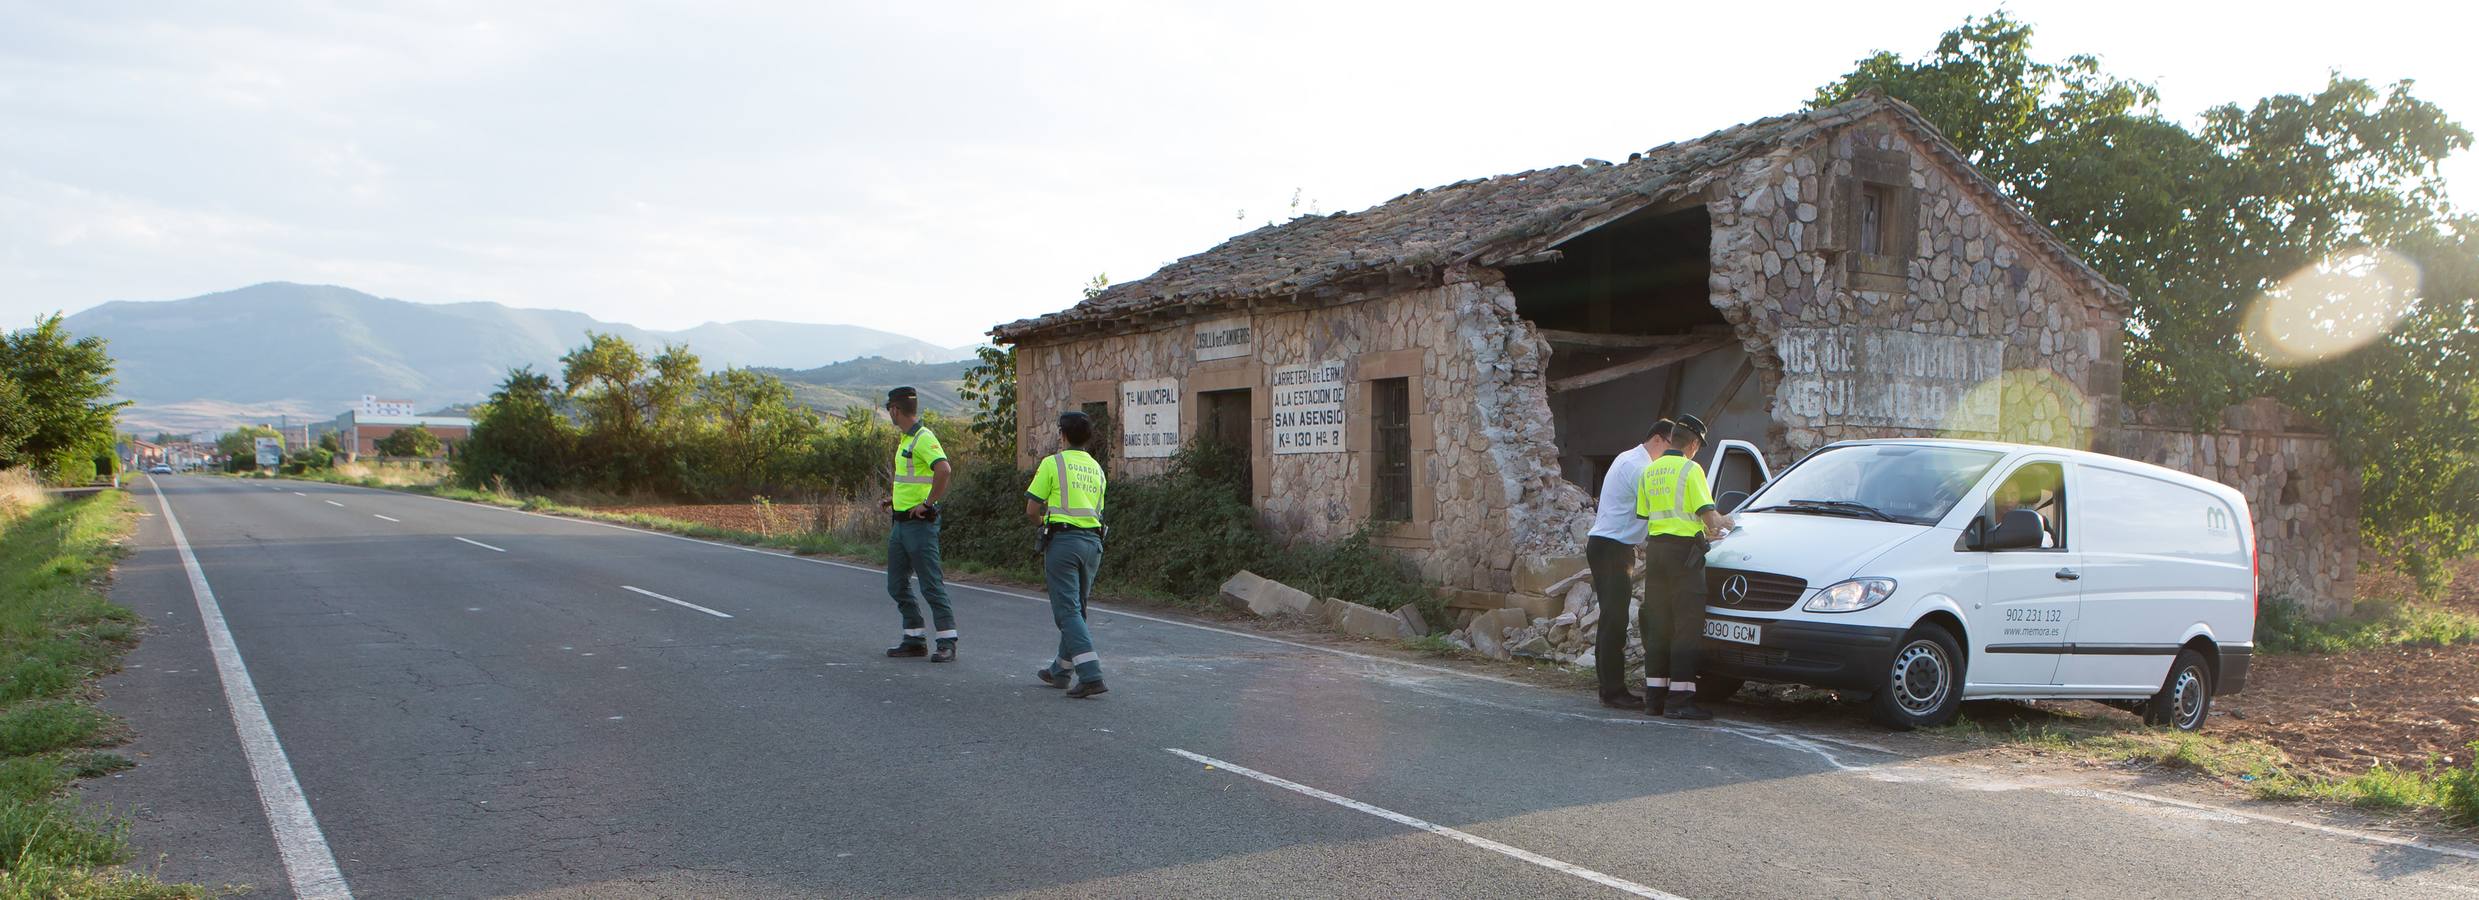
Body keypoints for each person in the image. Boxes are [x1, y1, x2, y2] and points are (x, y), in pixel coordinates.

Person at [1634, 414, 1733, 720]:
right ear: (1692, 444)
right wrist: (1730, 521)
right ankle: (1680, 699)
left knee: (1660, 625)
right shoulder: (1692, 470)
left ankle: (1655, 698)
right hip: (1684, 557)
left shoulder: (1650, 471)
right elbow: (1710, 518)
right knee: (1686, 627)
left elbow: (1645, 514)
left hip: (1657, 553)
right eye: (1698, 447)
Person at [1026, 411, 1110, 698]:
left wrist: (1043, 527)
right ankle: (1060, 671)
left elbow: (1032, 509)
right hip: (1093, 545)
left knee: (1067, 611)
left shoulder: (1053, 463)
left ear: (1061, 435)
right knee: (1077, 609)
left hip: (1063, 542)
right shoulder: (1097, 469)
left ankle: (1091, 674)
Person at [1587, 422, 1670, 709]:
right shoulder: (1640, 468)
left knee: (1612, 619)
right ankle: (1613, 691)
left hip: (1610, 546)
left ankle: (1607, 687)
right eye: (1670, 447)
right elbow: (1657, 507)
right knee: (1615, 620)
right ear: (1658, 439)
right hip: (1613, 548)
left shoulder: (1629, 457)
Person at [881, 386, 957, 662]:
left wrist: (927, 503)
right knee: (896, 584)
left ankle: (947, 641)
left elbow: (944, 469)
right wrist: (894, 500)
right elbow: (913, 479)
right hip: (901, 523)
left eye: (889, 409)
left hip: (920, 525)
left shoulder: (923, 437)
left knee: (930, 583)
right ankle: (914, 639)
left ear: (895, 410)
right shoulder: (906, 439)